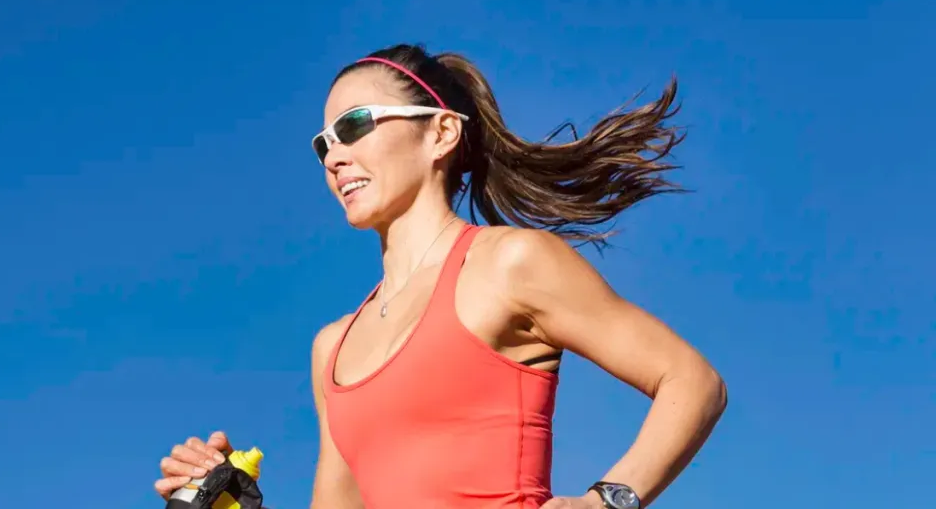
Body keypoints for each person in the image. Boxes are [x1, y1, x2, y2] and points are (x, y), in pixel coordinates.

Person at [153, 44, 727, 509]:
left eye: (354, 126)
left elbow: (692, 381)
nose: (333, 156)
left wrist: (605, 503)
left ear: (441, 133)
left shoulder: (511, 264)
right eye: (323, 143)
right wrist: (233, 503)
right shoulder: (332, 347)